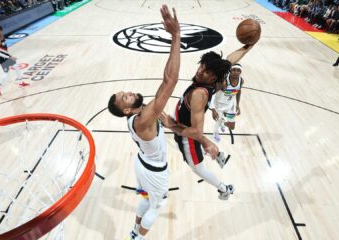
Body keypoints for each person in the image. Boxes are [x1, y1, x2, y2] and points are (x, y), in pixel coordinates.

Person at [107, 5, 180, 240]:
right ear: (127, 109)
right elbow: (172, 81)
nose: (129, 92)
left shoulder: (140, 113)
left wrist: (172, 40)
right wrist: (176, 36)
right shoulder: (143, 118)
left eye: (125, 92)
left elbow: (165, 78)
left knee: (146, 200)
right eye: (125, 96)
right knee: (156, 207)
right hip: (153, 170)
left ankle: (133, 231)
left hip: (143, 164)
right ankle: (137, 237)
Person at [160, 44, 254, 200]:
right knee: (200, 145)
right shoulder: (212, 82)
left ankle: (224, 189)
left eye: (207, 72)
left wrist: (172, 125)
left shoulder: (199, 94)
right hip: (185, 125)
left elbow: (196, 133)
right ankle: (218, 155)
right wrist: (249, 45)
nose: (200, 71)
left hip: (187, 136)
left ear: (213, 78)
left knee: (197, 168)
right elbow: (230, 59)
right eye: (202, 66)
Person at [0, 24, 29, 96]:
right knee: (6, 74)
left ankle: (21, 82)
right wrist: (9, 57)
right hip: (1, 58)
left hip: (6, 55)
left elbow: (4, 48)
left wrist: (9, 55)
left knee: (16, 66)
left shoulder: (2, 36)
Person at [210, 63, 244, 142]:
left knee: (232, 127)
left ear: (240, 72)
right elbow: (212, 94)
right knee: (217, 123)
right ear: (230, 71)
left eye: (238, 70)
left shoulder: (241, 81)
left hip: (229, 106)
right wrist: (213, 109)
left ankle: (223, 123)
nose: (236, 72)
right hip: (219, 106)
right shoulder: (224, 82)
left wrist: (238, 105)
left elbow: (238, 91)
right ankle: (215, 133)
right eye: (234, 70)